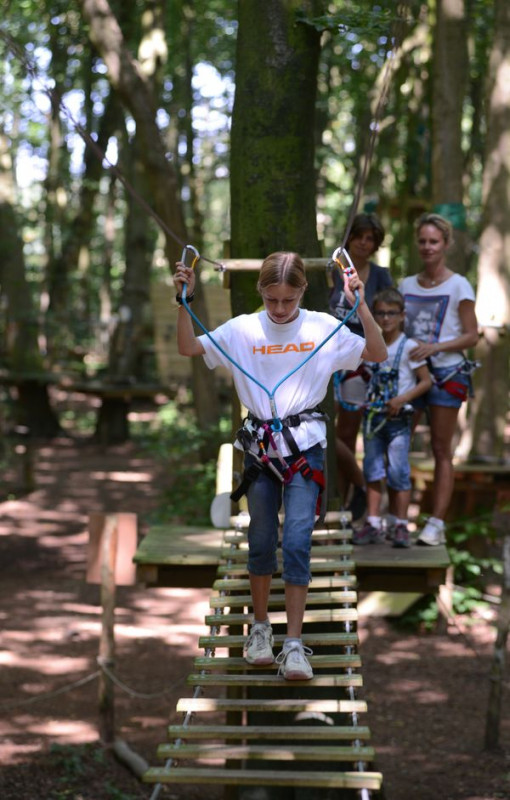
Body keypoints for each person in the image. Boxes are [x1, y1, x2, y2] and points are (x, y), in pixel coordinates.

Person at [175, 251, 386, 680]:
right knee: (260, 537)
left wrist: (359, 301)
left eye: (288, 300)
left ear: (303, 292)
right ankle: (259, 629)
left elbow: (377, 352)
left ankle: (293, 644)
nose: (280, 309)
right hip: (260, 450)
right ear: (261, 293)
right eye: (272, 300)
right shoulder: (244, 330)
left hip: (305, 450)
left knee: (296, 542)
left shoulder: (322, 327)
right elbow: (187, 346)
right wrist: (185, 300)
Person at [400, 213, 479, 545]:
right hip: (410, 374)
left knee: (440, 448)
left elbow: (473, 335)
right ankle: (396, 519)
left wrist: (436, 347)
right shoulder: (405, 285)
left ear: (445, 244)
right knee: (398, 444)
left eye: (434, 241)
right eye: (422, 241)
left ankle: (435, 523)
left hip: (447, 373)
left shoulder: (459, 284)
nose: (427, 247)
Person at [353, 288, 432, 548]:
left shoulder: (408, 346)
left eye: (391, 313)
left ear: (401, 316)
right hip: (373, 419)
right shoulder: (370, 343)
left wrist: (402, 399)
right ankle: (373, 522)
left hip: (399, 422)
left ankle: (399, 524)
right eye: (381, 313)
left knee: (398, 471)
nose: (385, 318)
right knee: (372, 470)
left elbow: (426, 382)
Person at [328, 213, 393, 520]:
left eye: (371, 239)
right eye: (359, 237)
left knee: (347, 432)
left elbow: (388, 316)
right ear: (349, 237)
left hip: (362, 360)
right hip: (327, 355)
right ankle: (358, 484)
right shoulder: (331, 269)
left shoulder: (380, 276)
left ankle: (344, 502)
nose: (364, 243)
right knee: (325, 428)